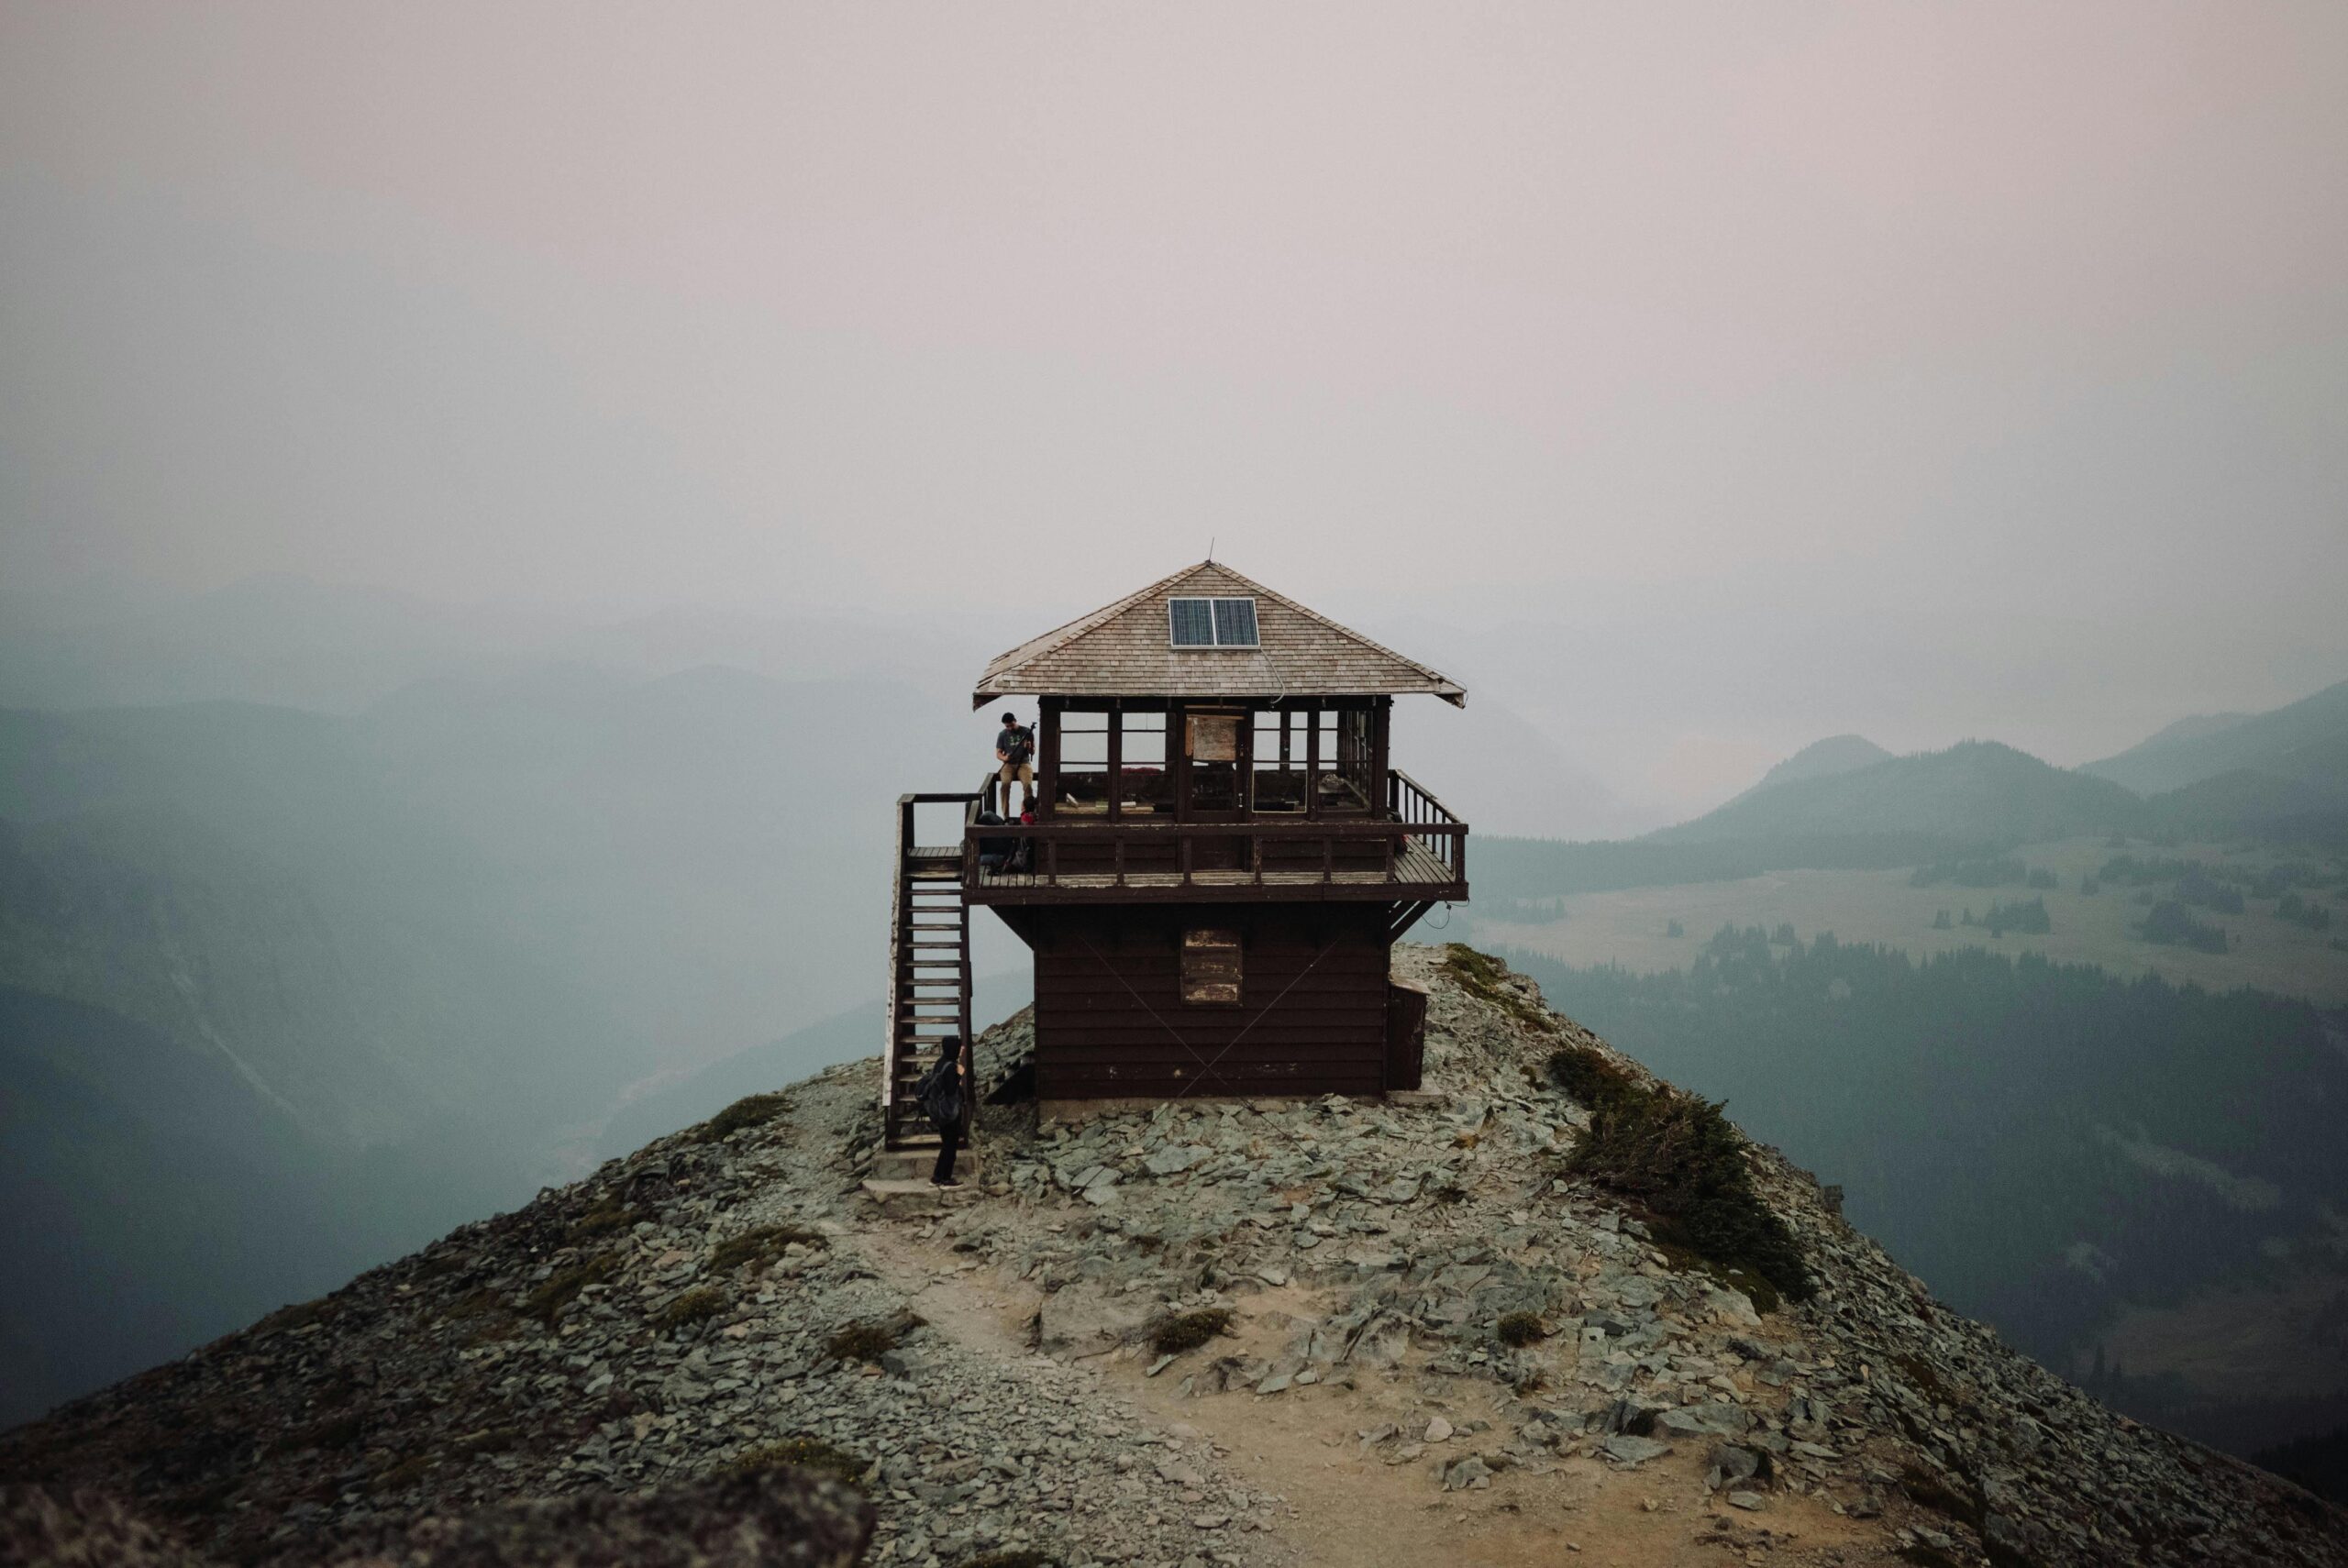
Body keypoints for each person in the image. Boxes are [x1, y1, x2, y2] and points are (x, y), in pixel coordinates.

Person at [913, 1034, 967, 1186]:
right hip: (949, 1111)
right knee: (951, 1145)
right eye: (958, 1048)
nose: (960, 1050)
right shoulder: (951, 1066)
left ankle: (937, 1177)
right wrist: (959, 1074)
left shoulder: (940, 1063)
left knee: (946, 1144)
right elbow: (950, 1090)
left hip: (939, 1111)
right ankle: (945, 1178)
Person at [993, 710, 1035, 817]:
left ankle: (1028, 813)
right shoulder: (1002, 734)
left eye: (1011, 725)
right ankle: (1006, 816)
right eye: (1007, 726)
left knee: (1028, 785)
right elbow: (998, 753)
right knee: (1005, 784)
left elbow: (1033, 751)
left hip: (1023, 762)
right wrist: (1005, 758)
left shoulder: (1027, 731)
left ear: (1015, 721)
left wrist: (1029, 747)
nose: (1010, 728)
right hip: (1009, 764)